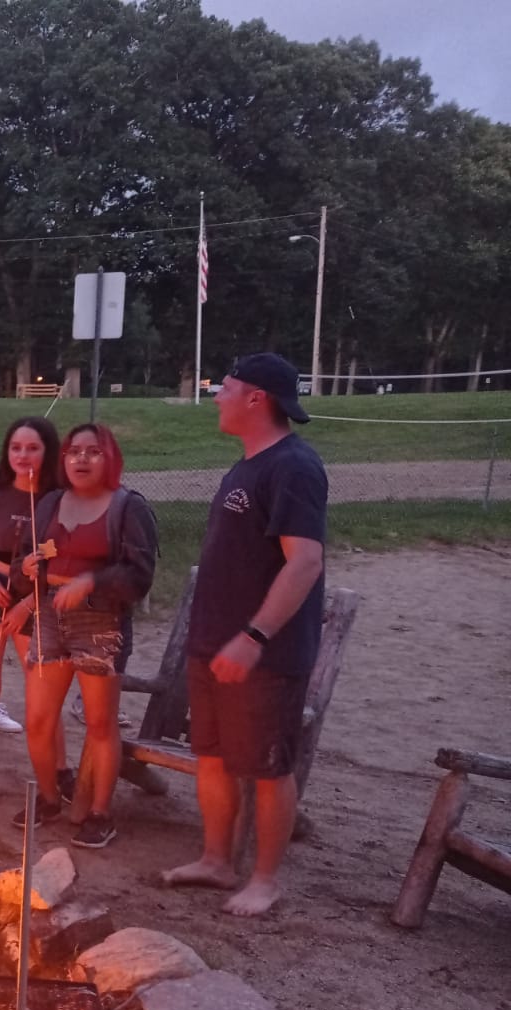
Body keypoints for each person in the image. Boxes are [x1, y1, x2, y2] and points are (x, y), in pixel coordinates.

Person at [162, 353, 327, 917]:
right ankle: (216, 860)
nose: (216, 396)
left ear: (256, 398)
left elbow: (303, 562)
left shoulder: (294, 467)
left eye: (224, 388)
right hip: (213, 642)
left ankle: (265, 879)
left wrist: (254, 636)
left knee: (266, 765)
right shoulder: (247, 465)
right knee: (210, 755)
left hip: (265, 655)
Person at [17, 424, 157, 847]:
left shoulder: (128, 507)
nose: (80, 459)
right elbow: (30, 552)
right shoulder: (50, 503)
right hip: (49, 615)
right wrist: (29, 567)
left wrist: (90, 581)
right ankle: (47, 797)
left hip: (101, 621)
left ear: (109, 458)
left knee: (99, 723)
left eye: (92, 452)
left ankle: (100, 813)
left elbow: (140, 574)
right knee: (38, 720)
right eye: (74, 452)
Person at [0, 417, 70, 812]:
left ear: (48, 451)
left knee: (42, 686)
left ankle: (60, 769)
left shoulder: (58, 500)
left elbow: (63, 558)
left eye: (33, 448)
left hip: (35, 597)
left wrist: (29, 601)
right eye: (16, 448)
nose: (23, 456)